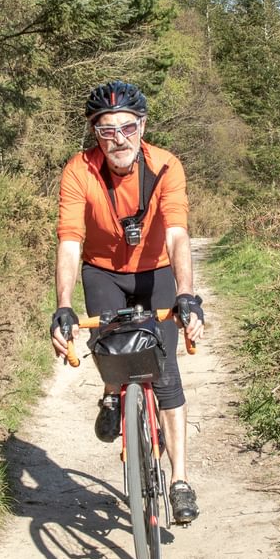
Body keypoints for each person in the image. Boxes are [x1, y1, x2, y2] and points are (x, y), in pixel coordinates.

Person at [49, 80, 205, 524]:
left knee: (167, 369)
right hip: (102, 271)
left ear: (142, 126)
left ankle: (180, 481)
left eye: (127, 127)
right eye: (106, 129)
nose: (118, 138)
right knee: (113, 352)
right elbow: (70, 241)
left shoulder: (166, 166)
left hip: (155, 270)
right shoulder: (79, 171)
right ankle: (114, 393)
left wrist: (187, 295)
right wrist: (63, 305)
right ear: (94, 134)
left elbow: (177, 233)